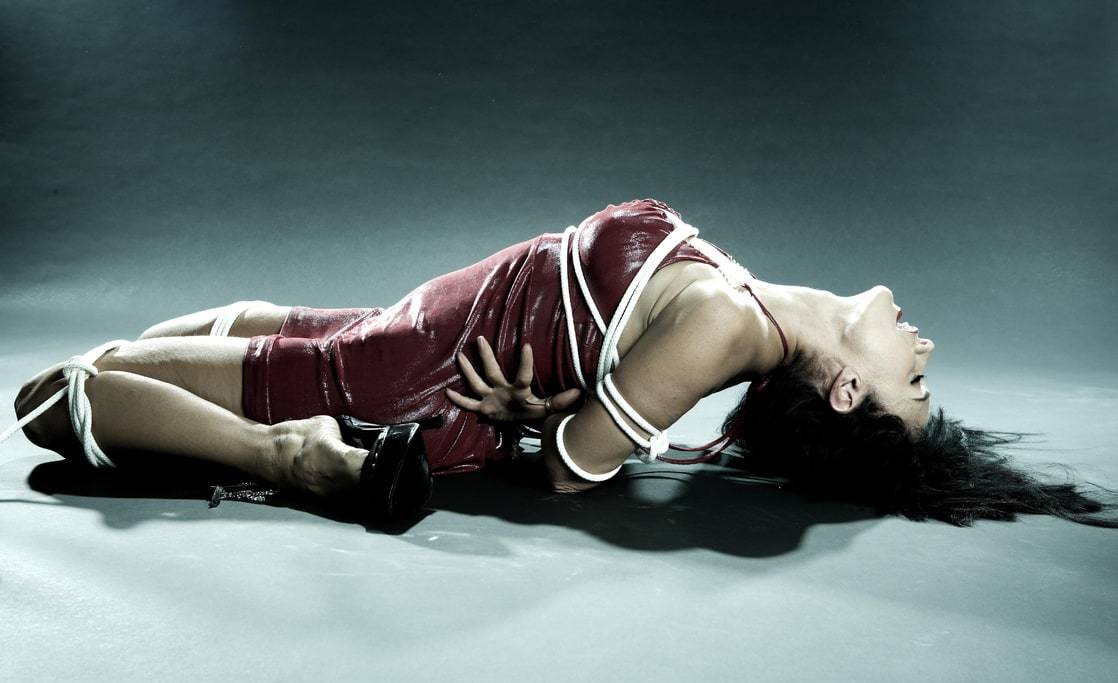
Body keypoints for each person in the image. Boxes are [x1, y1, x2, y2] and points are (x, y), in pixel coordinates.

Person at [6, 199, 1115, 527]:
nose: (923, 344)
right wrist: (567, 395)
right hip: (406, 332)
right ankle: (270, 442)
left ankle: (293, 459)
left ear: (845, 388)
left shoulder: (731, 327)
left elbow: (571, 463)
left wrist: (538, 421)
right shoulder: (748, 302)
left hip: (411, 382)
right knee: (185, 335)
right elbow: (601, 384)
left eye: (912, 380)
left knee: (55, 398)